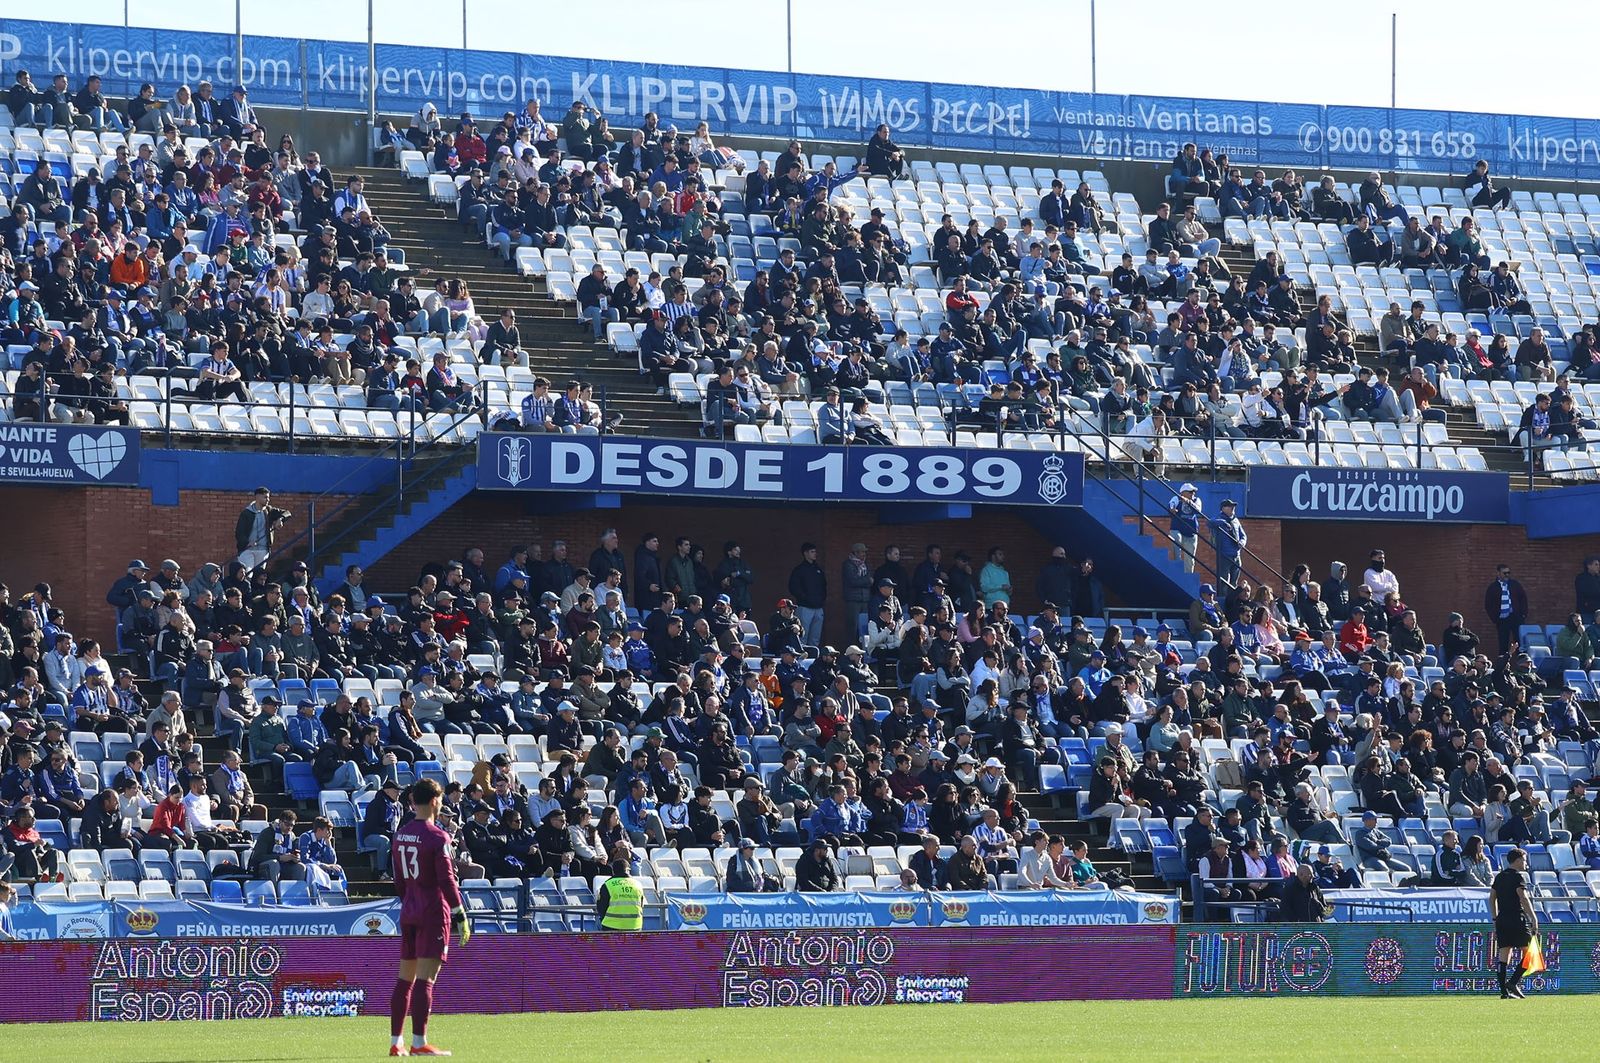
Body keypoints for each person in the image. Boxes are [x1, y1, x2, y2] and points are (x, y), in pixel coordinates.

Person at [389, 778, 468, 1057]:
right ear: (435, 801)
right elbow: (447, 879)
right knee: (426, 980)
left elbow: (398, 879)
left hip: (409, 909)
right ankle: (419, 1042)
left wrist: (409, 901)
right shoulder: (437, 837)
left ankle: (396, 1042)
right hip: (433, 912)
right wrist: (459, 913)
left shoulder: (401, 835)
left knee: (405, 979)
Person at [1490, 847, 1537, 999]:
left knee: (1504, 954)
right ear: (1517, 860)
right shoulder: (1518, 877)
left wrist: (1495, 918)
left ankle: (1504, 992)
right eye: (1524, 860)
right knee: (1530, 953)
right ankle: (1513, 982)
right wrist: (1533, 917)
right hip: (1517, 918)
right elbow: (1523, 898)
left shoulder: (1499, 877)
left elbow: (1492, 898)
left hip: (1502, 919)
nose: (1525, 863)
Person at [236, 487, 291, 573]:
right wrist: (247, 542)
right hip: (247, 549)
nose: (268, 499)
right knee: (247, 573)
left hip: (263, 550)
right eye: (265, 497)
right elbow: (239, 532)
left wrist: (280, 519)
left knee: (258, 575)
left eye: (268, 497)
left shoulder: (269, 510)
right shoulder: (246, 513)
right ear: (257, 497)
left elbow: (287, 513)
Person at [596, 856, 644, 930]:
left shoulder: (608, 885)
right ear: (628, 870)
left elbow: (601, 907)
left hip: (611, 926)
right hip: (635, 926)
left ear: (613, 870)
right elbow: (641, 905)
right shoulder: (638, 885)